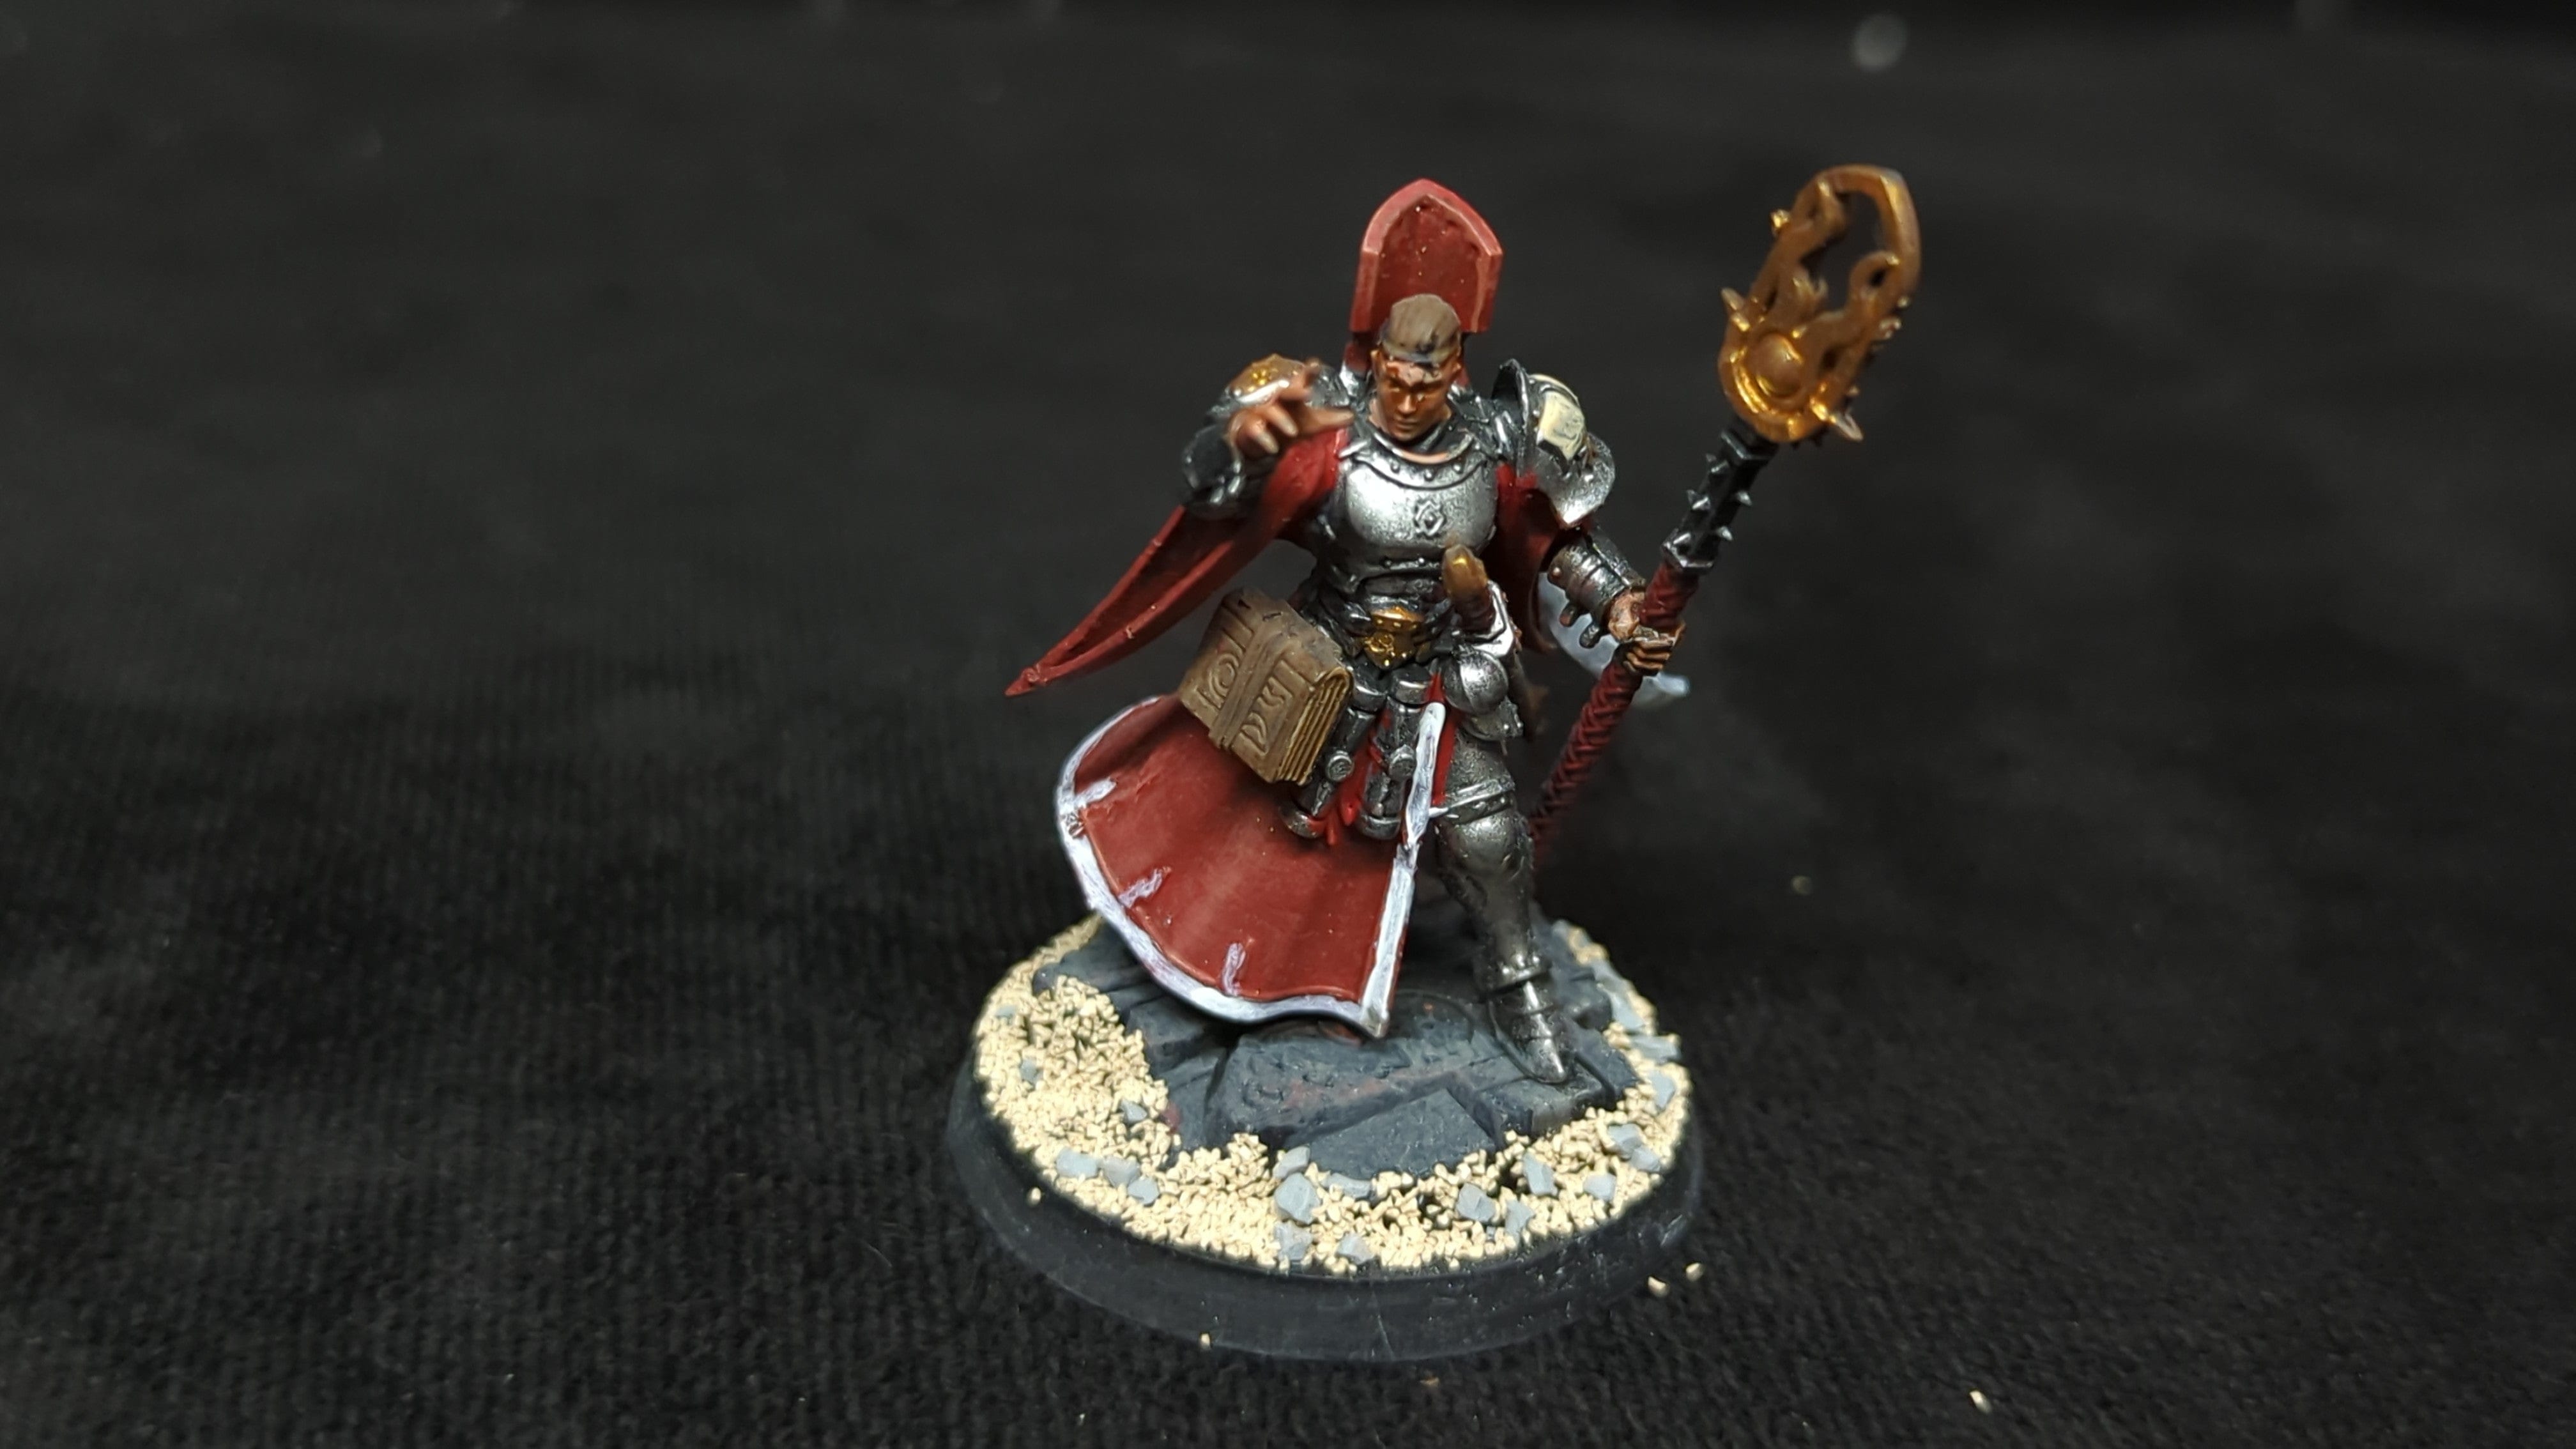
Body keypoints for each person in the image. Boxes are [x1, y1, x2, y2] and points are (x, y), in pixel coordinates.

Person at [1011, 184, 1672, 1085]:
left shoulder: (1494, 439)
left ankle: (1518, 986)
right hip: (1335, 667)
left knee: (1487, 837)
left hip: (1447, 672)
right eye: (1395, 375)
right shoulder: (1331, 427)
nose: (1407, 395)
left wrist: (1622, 603)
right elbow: (1217, 495)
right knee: (1256, 828)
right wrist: (1246, 447)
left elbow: (1550, 537)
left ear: (1456, 367)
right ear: (1379, 357)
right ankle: (1247, 977)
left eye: (1427, 380)